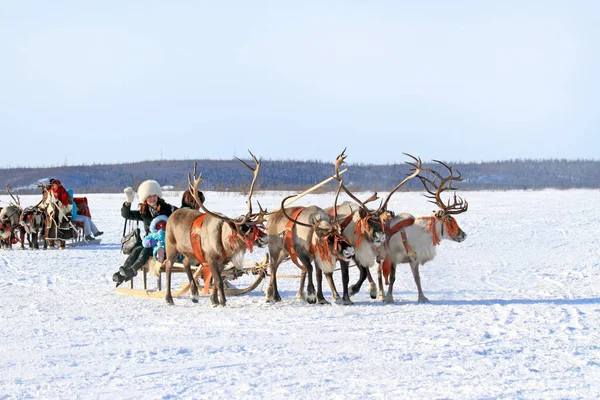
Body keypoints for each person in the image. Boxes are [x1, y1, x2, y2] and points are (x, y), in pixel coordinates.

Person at [112, 180, 177, 286]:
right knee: (136, 250)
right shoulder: (144, 212)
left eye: (154, 196)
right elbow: (126, 215)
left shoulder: (167, 209)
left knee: (144, 251)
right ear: (145, 199)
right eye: (149, 197)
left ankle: (132, 270)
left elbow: (180, 214)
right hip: (149, 241)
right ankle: (123, 272)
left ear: (158, 196)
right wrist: (128, 202)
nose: (152, 199)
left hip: (163, 242)